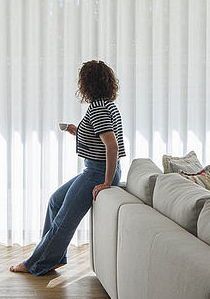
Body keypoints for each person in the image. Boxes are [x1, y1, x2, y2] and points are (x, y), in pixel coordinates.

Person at [10, 60, 126, 275]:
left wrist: (107, 183)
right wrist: (78, 130)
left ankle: (36, 263)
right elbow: (102, 138)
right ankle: (53, 258)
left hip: (98, 172)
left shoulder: (98, 109)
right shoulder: (106, 105)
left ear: (86, 84)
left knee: (64, 219)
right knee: (55, 201)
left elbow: (112, 145)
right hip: (95, 169)